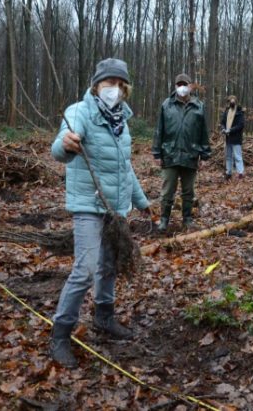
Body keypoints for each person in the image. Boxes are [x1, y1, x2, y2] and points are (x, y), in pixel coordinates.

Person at [50, 58, 151, 368]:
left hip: (115, 207)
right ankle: (60, 335)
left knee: (109, 265)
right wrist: (66, 144)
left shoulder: (122, 121)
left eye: (121, 86)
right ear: (96, 85)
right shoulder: (79, 112)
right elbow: (59, 148)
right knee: (86, 268)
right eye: (110, 84)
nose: (115, 90)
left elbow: (125, 168)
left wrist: (142, 201)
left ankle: (104, 318)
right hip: (88, 204)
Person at [152, 73, 212, 231]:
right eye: (179, 84)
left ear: (190, 86)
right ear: (175, 86)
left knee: (188, 192)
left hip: (190, 154)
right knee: (167, 192)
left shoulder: (198, 106)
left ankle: (187, 219)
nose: (182, 87)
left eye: (184, 84)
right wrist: (157, 153)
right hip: (169, 154)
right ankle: (164, 219)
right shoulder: (167, 105)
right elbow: (159, 130)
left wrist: (205, 155)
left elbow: (203, 132)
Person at [219, 95, 245, 180]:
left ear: (236, 102)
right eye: (230, 101)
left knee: (237, 156)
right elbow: (222, 122)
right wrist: (223, 128)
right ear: (228, 102)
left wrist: (230, 130)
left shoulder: (239, 112)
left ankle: (240, 173)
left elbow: (241, 125)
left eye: (233, 100)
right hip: (228, 138)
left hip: (236, 137)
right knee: (228, 156)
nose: (232, 102)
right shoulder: (226, 112)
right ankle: (228, 172)